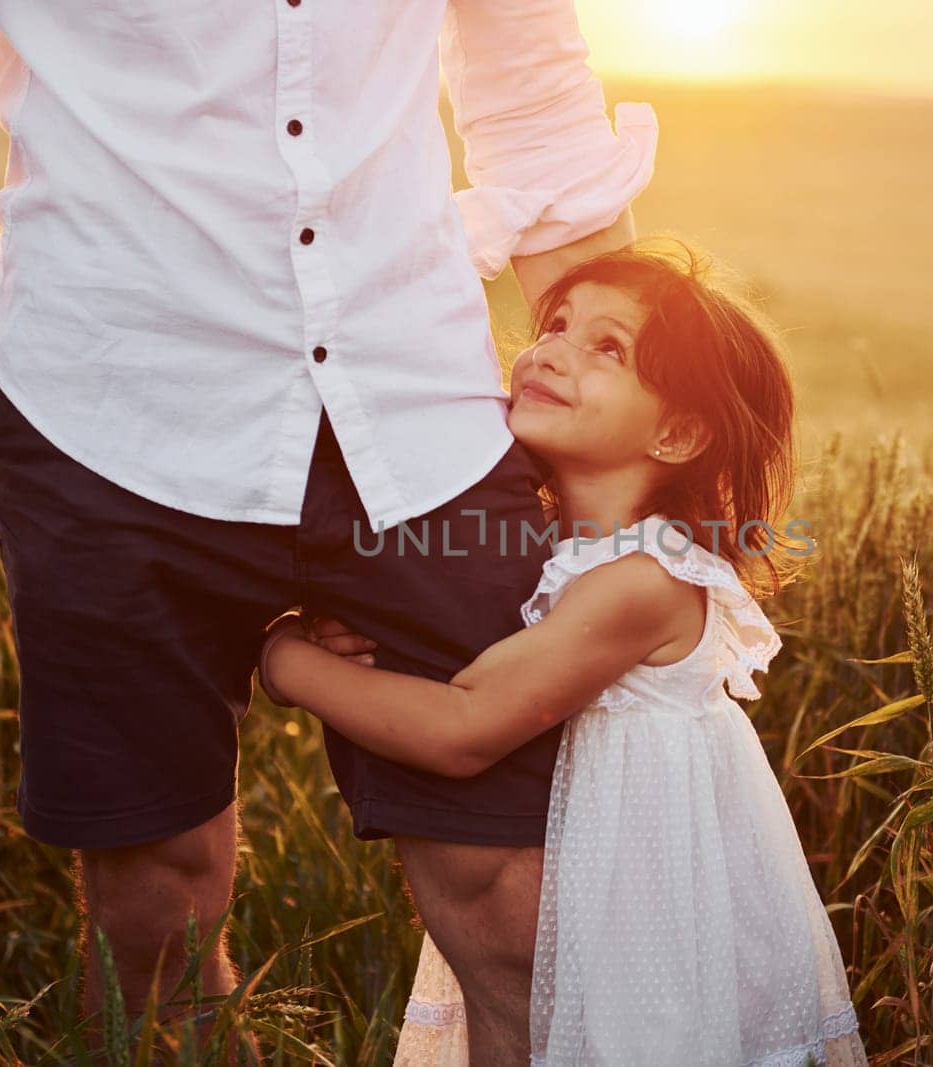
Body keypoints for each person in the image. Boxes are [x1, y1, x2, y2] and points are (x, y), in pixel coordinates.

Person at [0, 0, 657, 1054]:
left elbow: (539, 108)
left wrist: (644, 490)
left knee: (528, 911)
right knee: (152, 916)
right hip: (110, 423)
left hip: (421, 408)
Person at [259, 243, 870, 1065]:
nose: (550, 349)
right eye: (555, 324)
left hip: (640, 931)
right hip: (605, 899)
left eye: (608, 348)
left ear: (681, 430)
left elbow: (463, 725)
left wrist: (282, 658)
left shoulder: (645, 581)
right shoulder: (554, 550)